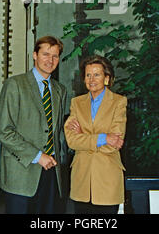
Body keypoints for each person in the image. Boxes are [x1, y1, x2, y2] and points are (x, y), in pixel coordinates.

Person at [0, 36, 67, 214]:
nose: (50, 60)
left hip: (52, 172)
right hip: (22, 173)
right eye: (45, 54)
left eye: (55, 56)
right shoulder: (15, 85)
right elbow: (3, 131)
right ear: (34, 55)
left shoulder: (60, 90)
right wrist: (37, 156)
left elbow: (56, 132)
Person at [64, 55, 127, 215]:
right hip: (81, 181)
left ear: (106, 77)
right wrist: (103, 138)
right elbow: (71, 141)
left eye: (97, 74)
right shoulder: (76, 103)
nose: (92, 79)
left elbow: (114, 144)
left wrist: (83, 137)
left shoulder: (119, 102)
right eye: (88, 75)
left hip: (107, 181)